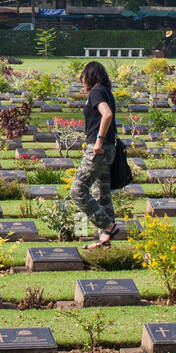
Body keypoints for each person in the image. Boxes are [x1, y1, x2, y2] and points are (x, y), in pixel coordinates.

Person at [71, 61, 119, 248]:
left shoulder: (97, 92)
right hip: (109, 149)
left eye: (83, 77)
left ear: (90, 76)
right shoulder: (107, 92)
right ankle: (105, 241)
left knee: (77, 190)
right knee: (102, 194)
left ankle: (107, 225)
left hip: (98, 149)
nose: (82, 81)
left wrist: (98, 140)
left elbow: (106, 115)